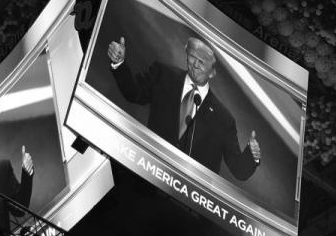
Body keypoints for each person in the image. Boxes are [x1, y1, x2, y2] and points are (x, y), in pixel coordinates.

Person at [107, 35, 261, 180]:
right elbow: (133, 93)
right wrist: (119, 63)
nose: (195, 64)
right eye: (193, 56)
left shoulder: (223, 119)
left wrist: (251, 156)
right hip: (146, 175)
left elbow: (238, 170)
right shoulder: (163, 74)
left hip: (186, 200)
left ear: (213, 72)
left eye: (202, 61)